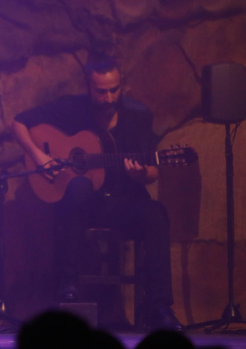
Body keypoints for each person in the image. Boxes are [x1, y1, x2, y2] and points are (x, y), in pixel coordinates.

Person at [10, 54, 182, 330]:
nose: (109, 98)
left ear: (121, 84)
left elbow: (153, 171)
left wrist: (142, 174)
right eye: (101, 92)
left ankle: (160, 306)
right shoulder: (71, 109)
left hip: (126, 203)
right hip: (85, 207)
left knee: (156, 213)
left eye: (114, 90)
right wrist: (39, 156)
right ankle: (69, 286)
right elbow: (18, 123)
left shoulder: (138, 115)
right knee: (79, 186)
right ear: (88, 87)